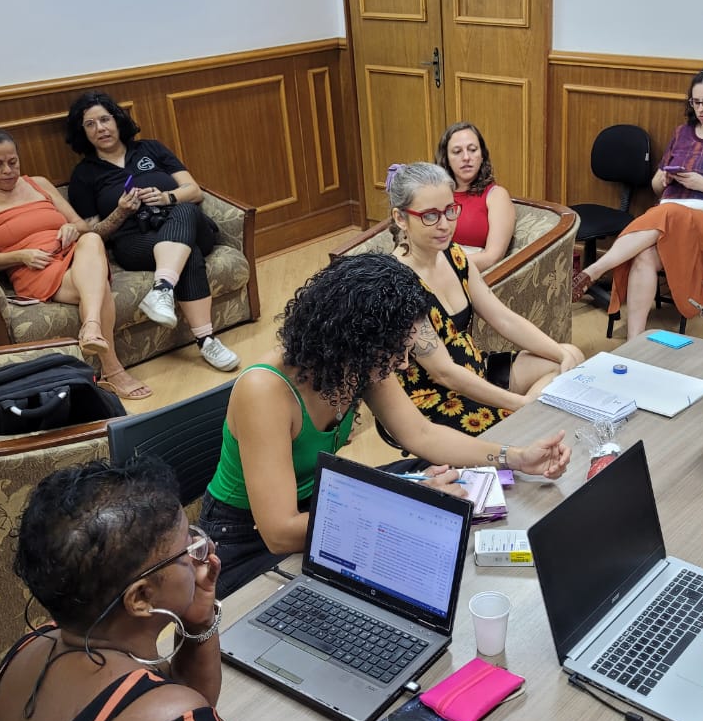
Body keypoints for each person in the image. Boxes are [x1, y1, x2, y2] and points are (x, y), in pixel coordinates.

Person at [0, 456, 417, 721]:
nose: (205, 552)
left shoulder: (29, 651)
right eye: (186, 551)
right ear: (140, 598)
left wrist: (198, 619)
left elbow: (189, 699)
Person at [201, 252, 572, 595]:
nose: (405, 364)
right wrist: (402, 502)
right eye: (398, 351)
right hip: (246, 538)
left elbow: (422, 434)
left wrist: (515, 457)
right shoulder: (265, 391)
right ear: (356, 339)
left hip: (321, 498)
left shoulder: (354, 362)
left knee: (434, 480)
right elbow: (280, 532)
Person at [388, 162, 584, 435]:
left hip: (475, 367)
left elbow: (503, 318)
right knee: (531, 416)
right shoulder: (396, 284)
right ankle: (524, 429)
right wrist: (520, 404)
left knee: (571, 356)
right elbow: (443, 373)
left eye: (450, 210)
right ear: (400, 218)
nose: (445, 225)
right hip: (435, 397)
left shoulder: (453, 255)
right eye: (430, 216)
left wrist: (560, 353)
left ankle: (528, 426)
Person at [0, 128, 151, 400]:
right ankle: (113, 370)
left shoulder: (39, 184)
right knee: (98, 288)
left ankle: (92, 327)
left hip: (74, 255)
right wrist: (21, 255)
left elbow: (82, 225)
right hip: (36, 270)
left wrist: (71, 228)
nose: (8, 171)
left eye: (13, 161)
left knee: (92, 239)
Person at [571, 64, 703, 340]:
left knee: (669, 211)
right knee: (645, 254)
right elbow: (656, 187)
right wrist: (665, 179)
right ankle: (634, 341)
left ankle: (597, 269)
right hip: (669, 223)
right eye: (696, 102)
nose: (701, 109)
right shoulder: (682, 134)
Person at [65, 90, 240, 373]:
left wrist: (166, 197)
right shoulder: (84, 175)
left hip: (181, 220)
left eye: (105, 119)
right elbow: (94, 234)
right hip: (135, 241)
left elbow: (193, 190)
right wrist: (120, 211)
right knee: (187, 251)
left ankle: (161, 289)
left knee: (185, 211)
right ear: (82, 132)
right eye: (90, 124)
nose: (100, 128)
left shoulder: (151, 149)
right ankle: (207, 341)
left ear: (117, 120)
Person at [435, 122, 516, 272]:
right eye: (457, 151)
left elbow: (492, 257)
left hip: (468, 273)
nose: (466, 157)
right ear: (446, 159)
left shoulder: (496, 195)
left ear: (482, 155)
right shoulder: (435, 194)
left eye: (472, 150)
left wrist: (442, 267)